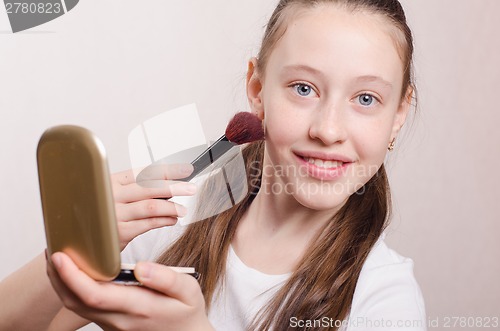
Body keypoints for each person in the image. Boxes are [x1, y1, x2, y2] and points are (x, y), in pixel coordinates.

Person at [0, 0, 426, 330]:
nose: (328, 130)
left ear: (399, 113)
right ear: (257, 90)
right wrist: (74, 247)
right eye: (303, 88)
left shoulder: (385, 297)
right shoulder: (171, 222)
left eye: (366, 98)